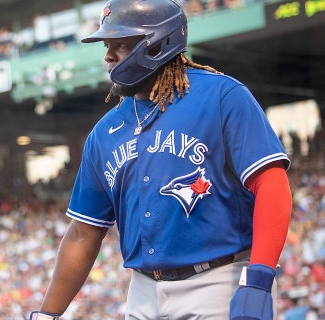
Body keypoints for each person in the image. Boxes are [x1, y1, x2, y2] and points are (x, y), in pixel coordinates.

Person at [29, 0, 292, 319]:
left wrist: (259, 278)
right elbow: (83, 232)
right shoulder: (104, 133)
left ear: (157, 43)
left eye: (120, 45)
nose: (108, 56)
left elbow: (272, 184)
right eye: (107, 45)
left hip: (219, 282)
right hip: (143, 292)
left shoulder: (221, 96)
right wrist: (46, 314)